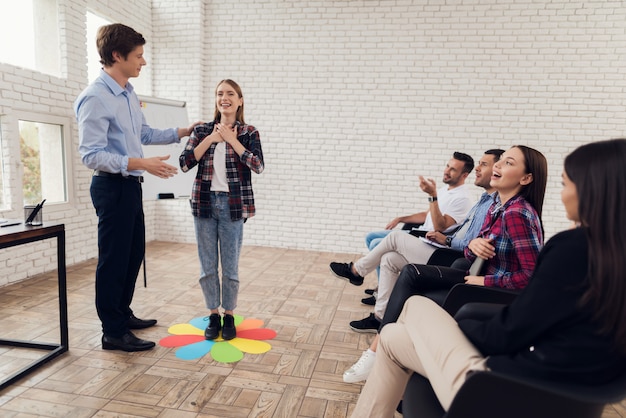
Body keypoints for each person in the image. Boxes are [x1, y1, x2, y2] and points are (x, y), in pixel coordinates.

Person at [350, 138, 626, 417]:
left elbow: (506, 334)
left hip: (496, 390)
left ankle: (371, 336)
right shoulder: (610, 253)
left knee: (415, 305)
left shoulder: (573, 247)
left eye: (566, 184)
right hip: (551, 393)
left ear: (594, 190)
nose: (563, 193)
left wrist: (461, 326)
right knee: (394, 337)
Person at [344, 145, 547, 383]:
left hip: (493, 291)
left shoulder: (517, 214)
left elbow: (533, 276)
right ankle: (382, 356)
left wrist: (484, 279)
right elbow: (472, 255)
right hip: (474, 276)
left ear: (527, 178)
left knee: (411, 276)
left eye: (509, 163)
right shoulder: (497, 207)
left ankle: (375, 355)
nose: (498, 165)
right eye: (500, 160)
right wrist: (474, 245)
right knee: (410, 274)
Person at [74, 23, 200, 352]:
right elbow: (91, 155)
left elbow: (142, 134)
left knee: (133, 255)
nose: (143, 62)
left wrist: (185, 130)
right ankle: (112, 332)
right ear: (117, 55)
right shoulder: (95, 98)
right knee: (114, 260)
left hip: (130, 187)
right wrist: (140, 163)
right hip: (111, 187)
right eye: (139, 56)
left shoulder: (128, 92)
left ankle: (122, 314)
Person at [330, 152, 476, 332]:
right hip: (428, 244)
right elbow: (429, 215)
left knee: (394, 237)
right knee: (389, 259)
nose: (447, 171)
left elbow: (440, 226)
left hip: (440, 253)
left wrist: (432, 196)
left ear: (464, 175)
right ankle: (380, 318)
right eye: (447, 166)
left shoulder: (463, 198)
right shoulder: (446, 191)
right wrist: (402, 217)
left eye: (453, 169)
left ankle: (356, 271)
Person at [179, 79, 264, 341]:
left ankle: (229, 315)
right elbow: (185, 163)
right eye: (219, 94)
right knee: (207, 266)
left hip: (232, 206)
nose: (224, 98)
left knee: (230, 267)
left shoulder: (249, 132)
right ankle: (213, 314)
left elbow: (257, 165)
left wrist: (232, 141)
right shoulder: (202, 130)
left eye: (230, 94)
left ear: (239, 100)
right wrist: (214, 139)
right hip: (203, 202)